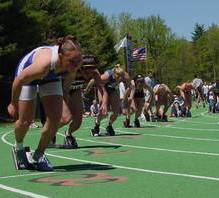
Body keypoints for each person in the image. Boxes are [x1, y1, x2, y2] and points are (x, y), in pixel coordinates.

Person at [7, 35, 82, 171]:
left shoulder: (73, 63)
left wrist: (65, 94)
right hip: (28, 77)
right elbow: (18, 81)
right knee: (25, 121)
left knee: (60, 118)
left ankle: (39, 154)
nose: (76, 65)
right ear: (60, 56)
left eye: (78, 60)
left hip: (51, 77)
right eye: (72, 61)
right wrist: (13, 103)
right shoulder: (43, 64)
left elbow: (69, 78)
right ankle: (18, 148)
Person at [57, 54, 108, 149]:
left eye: (92, 68)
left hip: (75, 89)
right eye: (86, 69)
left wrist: (104, 104)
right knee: (66, 118)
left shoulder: (95, 73)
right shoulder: (73, 70)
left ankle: (68, 133)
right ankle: (50, 132)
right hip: (61, 89)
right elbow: (65, 90)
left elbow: (103, 90)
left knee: (78, 122)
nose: (89, 72)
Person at [90, 64, 131, 136]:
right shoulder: (107, 76)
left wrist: (127, 97)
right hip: (103, 88)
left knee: (116, 112)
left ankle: (109, 125)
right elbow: (94, 80)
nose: (120, 78)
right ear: (114, 73)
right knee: (103, 111)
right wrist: (87, 89)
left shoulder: (125, 76)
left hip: (112, 89)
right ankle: (96, 125)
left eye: (121, 76)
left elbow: (130, 87)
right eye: (118, 76)